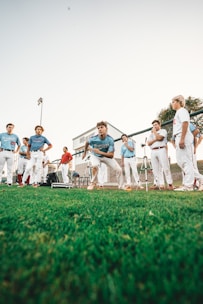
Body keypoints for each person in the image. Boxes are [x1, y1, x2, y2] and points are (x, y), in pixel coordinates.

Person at [82, 121, 123, 190]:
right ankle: (92, 183)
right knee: (95, 165)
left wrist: (100, 152)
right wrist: (84, 152)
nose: (100, 129)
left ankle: (121, 186)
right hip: (95, 156)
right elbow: (86, 143)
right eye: (98, 128)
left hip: (105, 156)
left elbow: (111, 155)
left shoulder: (110, 140)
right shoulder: (93, 139)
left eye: (101, 127)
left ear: (106, 128)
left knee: (119, 169)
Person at [171, 95, 194, 191]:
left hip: (182, 136)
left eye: (173, 101)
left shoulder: (182, 111)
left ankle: (188, 186)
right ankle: (198, 179)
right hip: (178, 136)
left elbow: (185, 123)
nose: (172, 104)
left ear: (178, 102)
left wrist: (182, 139)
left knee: (186, 161)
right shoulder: (177, 113)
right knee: (181, 161)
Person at [147, 120, 174, 190]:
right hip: (153, 151)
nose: (154, 126)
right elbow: (149, 143)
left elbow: (160, 138)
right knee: (155, 169)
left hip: (161, 149)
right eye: (153, 125)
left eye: (155, 124)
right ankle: (158, 184)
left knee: (165, 167)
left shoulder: (163, 131)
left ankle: (170, 184)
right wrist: (155, 139)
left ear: (159, 125)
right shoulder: (151, 134)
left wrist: (155, 133)